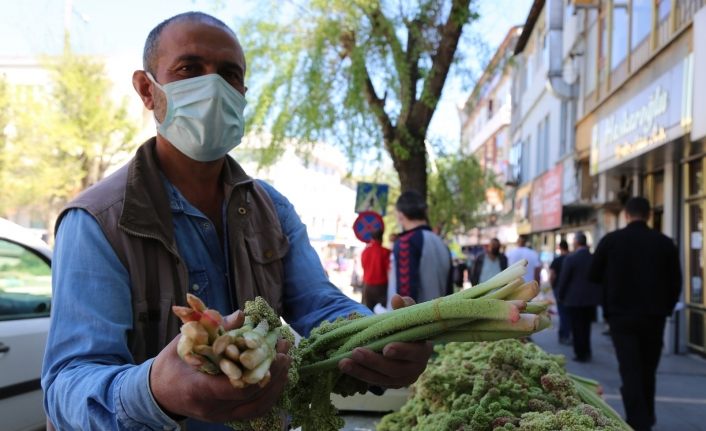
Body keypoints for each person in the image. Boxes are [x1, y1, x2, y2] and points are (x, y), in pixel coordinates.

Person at [41, 13, 432, 431]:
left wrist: (379, 337)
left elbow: (319, 304)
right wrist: (157, 390)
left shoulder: (272, 209)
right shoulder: (97, 222)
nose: (213, 87)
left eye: (229, 74)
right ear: (146, 89)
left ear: (243, 92)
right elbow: (67, 385)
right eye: (190, 69)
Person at [589, 197, 681, 431]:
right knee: (648, 370)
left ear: (626, 215)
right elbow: (676, 283)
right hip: (654, 317)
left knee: (630, 370)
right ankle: (646, 418)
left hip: (621, 317)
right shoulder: (665, 243)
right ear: (649, 215)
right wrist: (666, 308)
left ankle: (637, 421)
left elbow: (593, 275)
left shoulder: (611, 240)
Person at [387, 190, 452, 307]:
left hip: (417, 323)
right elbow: (449, 291)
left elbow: (404, 302)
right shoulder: (441, 243)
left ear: (401, 215)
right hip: (440, 318)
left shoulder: (405, 242)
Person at [556, 232, 601, 362]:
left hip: (574, 299)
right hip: (590, 299)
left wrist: (560, 295)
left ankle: (580, 353)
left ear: (576, 242)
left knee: (576, 326)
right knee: (586, 326)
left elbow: (564, 279)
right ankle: (587, 351)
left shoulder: (571, 258)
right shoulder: (593, 258)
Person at [360, 229, 391, 310]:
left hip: (367, 286)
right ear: (381, 238)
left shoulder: (365, 251)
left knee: (367, 312)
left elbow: (363, 267)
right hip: (381, 287)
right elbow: (389, 269)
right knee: (382, 313)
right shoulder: (385, 252)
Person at [549, 240, 571, 344]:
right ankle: (566, 334)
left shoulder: (557, 260)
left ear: (560, 248)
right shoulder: (571, 258)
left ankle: (564, 335)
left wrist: (553, 286)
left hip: (559, 288)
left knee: (562, 313)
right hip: (570, 289)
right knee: (568, 313)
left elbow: (552, 276)